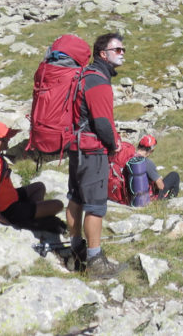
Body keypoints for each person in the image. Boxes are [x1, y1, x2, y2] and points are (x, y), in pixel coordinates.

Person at [66, 32, 124, 278]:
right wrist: (114, 145)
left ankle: (75, 251)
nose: (122, 54)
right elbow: (102, 123)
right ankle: (95, 262)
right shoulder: (99, 80)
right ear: (104, 54)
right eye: (118, 50)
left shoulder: (84, 75)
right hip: (92, 151)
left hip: (75, 147)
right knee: (95, 206)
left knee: (76, 198)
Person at [0, 121, 64, 229]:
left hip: (9, 197)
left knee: (39, 187)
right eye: (4, 138)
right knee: (58, 205)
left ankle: (32, 215)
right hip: (9, 209)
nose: (8, 139)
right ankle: (28, 219)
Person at [135, 135, 180, 200]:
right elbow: (161, 186)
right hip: (148, 197)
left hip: (133, 196)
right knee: (174, 175)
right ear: (150, 150)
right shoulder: (147, 162)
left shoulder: (130, 158)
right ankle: (171, 198)